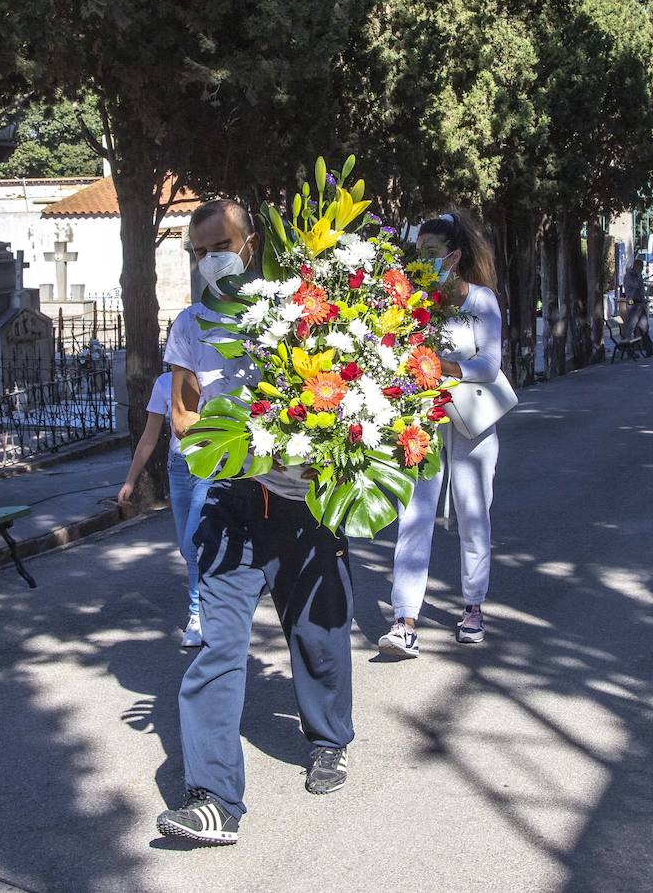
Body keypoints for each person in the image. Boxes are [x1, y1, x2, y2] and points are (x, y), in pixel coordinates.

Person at [156, 200, 355, 847]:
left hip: (302, 505)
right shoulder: (190, 325)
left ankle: (327, 739)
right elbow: (185, 418)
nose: (206, 259)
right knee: (217, 646)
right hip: (231, 504)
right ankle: (213, 797)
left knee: (317, 632)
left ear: (249, 244)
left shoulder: (298, 310)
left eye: (218, 244)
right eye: (194, 251)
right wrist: (246, 441)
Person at [381, 210, 502, 659]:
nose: (422, 262)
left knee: (474, 512)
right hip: (424, 418)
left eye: (431, 254)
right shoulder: (411, 302)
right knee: (413, 511)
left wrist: (439, 367)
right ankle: (404, 618)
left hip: (472, 419)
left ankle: (472, 606)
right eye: (418, 253)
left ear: (453, 257)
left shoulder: (481, 302)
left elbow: (489, 366)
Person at [117, 371, 208, 647]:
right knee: (185, 546)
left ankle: (198, 616)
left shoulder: (213, 376)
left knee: (193, 542)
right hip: (179, 467)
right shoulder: (165, 383)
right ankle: (214, 597)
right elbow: (149, 437)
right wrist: (130, 481)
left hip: (211, 466)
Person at [621, 258, 653, 356]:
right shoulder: (630, 275)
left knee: (644, 327)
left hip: (640, 303)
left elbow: (641, 289)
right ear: (636, 266)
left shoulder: (638, 275)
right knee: (631, 327)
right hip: (633, 303)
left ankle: (649, 348)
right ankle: (629, 350)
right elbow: (635, 286)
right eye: (641, 267)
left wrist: (644, 301)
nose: (642, 269)